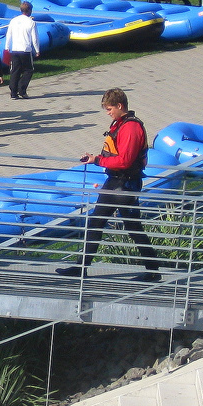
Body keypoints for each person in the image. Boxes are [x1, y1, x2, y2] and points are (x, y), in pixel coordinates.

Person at [57, 88, 161, 280]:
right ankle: (152, 269)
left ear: (120, 106)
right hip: (117, 182)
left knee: (113, 224)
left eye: (110, 108)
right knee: (118, 224)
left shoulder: (130, 128)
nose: (108, 112)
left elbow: (125, 161)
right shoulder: (122, 123)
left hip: (123, 184)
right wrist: (95, 158)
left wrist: (98, 160)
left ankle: (153, 270)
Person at [4, 2, 38, 99]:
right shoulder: (31, 22)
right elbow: (35, 38)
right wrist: (37, 49)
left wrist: (7, 47)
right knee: (29, 70)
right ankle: (22, 89)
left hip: (15, 49)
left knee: (15, 70)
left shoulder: (13, 21)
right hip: (25, 49)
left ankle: (13, 92)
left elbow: (9, 34)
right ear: (30, 11)